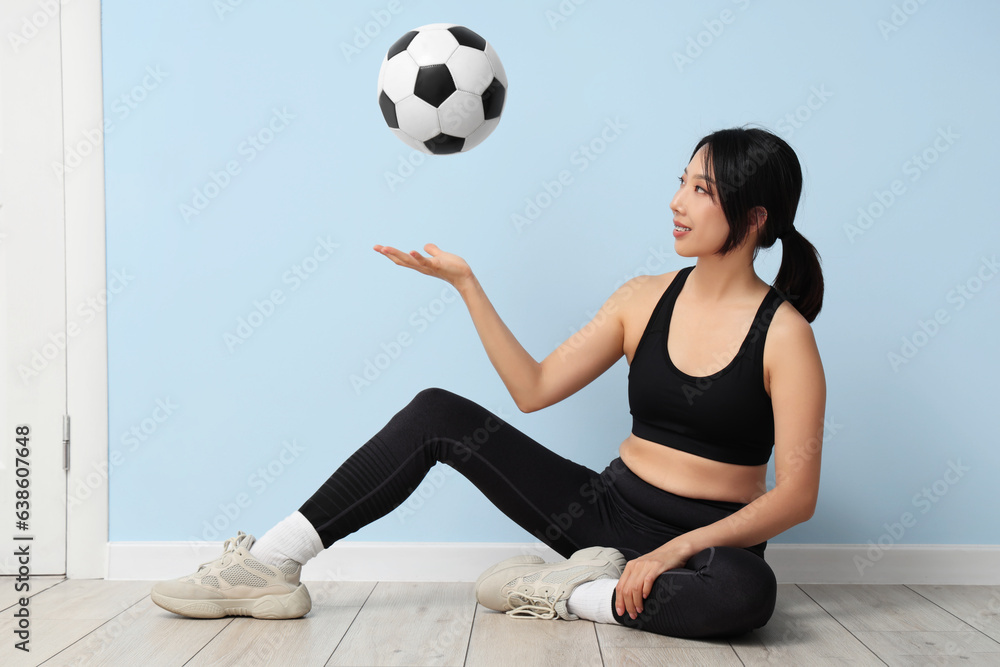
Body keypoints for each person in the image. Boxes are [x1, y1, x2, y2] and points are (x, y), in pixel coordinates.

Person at [151, 126, 826, 639]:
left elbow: (796, 497)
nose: (677, 202)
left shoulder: (786, 334)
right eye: (681, 181)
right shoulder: (642, 298)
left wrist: (676, 549)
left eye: (701, 190)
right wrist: (467, 285)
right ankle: (269, 564)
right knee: (437, 411)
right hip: (604, 514)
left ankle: (566, 593)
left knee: (747, 595)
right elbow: (532, 388)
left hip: (709, 542)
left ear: (755, 217)